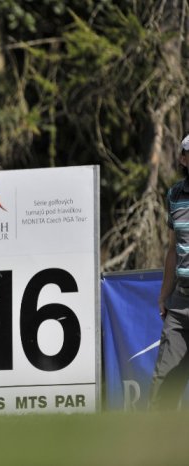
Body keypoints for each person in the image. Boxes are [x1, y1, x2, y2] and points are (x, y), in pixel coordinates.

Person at [150, 134, 189, 410]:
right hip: (180, 302)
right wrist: (164, 294)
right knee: (163, 383)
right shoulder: (174, 195)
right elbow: (173, 249)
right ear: (184, 159)